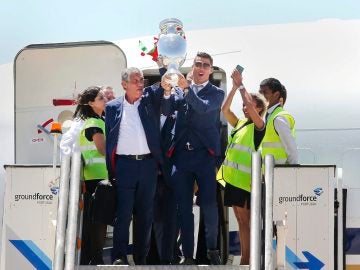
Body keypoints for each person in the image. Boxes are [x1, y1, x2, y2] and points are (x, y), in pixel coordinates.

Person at [161, 52, 225, 265]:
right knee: (183, 208)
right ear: (193, 66)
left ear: (210, 70)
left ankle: (213, 249)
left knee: (208, 204)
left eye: (205, 65)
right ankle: (187, 255)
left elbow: (203, 108)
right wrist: (168, 92)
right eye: (198, 63)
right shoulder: (180, 90)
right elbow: (167, 110)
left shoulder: (216, 92)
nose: (201, 67)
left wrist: (186, 89)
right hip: (181, 157)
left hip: (205, 156)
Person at [105, 67, 163, 265]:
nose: (140, 84)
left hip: (148, 166)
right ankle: (120, 256)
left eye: (142, 80)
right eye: (136, 80)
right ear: (124, 84)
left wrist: (166, 66)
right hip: (124, 166)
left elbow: (162, 91)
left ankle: (141, 258)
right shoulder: (112, 107)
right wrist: (111, 170)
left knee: (145, 215)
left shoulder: (149, 101)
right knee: (123, 213)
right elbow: (110, 140)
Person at [217, 68, 267, 265]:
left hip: (245, 183)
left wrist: (242, 86)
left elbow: (248, 104)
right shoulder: (240, 124)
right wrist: (234, 88)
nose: (246, 108)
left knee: (246, 221)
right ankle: (246, 258)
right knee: (240, 220)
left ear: (259, 108)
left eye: (251, 106)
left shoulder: (258, 126)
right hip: (233, 180)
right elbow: (225, 110)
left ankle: (248, 259)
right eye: (245, 106)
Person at [75, 86, 108, 265]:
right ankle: (96, 261)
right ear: (91, 103)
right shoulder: (94, 123)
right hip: (98, 180)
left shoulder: (96, 121)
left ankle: (92, 259)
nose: (105, 99)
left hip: (95, 179)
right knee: (98, 223)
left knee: (95, 222)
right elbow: (102, 149)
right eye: (100, 97)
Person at [259, 78, 298, 164]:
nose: (261, 96)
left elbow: (292, 150)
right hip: (269, 172)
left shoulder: (279, 118)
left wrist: (292, 171)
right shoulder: (269, 115)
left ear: (276, 95)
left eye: (265, 93)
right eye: (260, 93)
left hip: (279, 173)